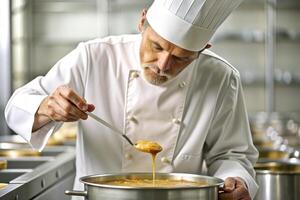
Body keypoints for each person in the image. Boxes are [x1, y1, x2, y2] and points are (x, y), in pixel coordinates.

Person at [5, 0, 258, 199]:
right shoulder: (94, 57)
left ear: (204, 50)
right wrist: (47, 108)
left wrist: (235, 179)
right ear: (142, 21)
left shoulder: (222, 78)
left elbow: (232, 155)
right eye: (157, 47)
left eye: (182, 57)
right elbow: (17, 106)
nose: (163, 65)